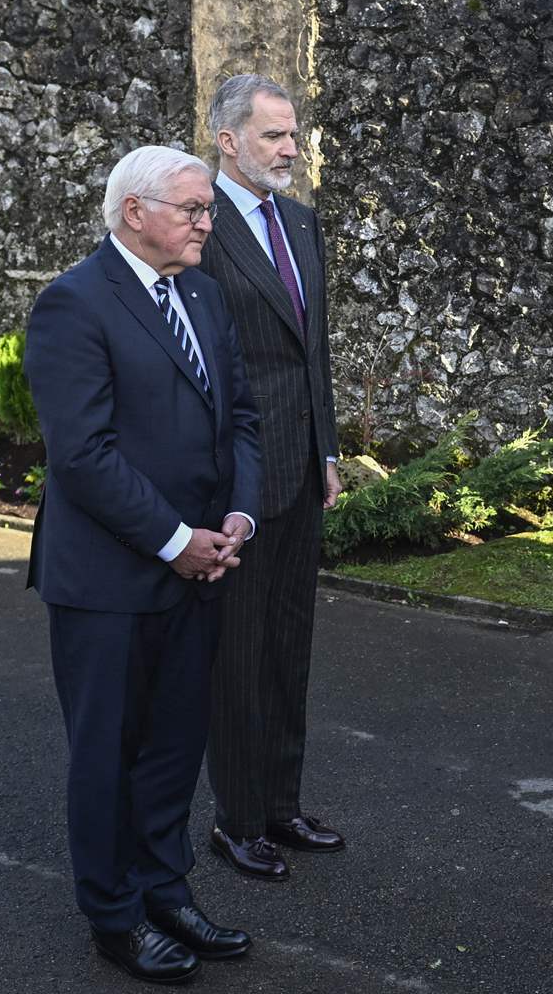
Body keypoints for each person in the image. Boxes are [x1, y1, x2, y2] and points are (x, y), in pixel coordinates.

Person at [24, 144, 262, 984]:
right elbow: (82, 457)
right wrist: (176, 540)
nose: (209, 224)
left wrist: (237, 515)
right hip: (108, 581)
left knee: (172, 748)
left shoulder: (201, 291)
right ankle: (115, 917)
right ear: (135, 212)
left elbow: (240, 416)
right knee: (107, 754)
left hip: (201, 567)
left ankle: (166, 891)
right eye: (195, 211)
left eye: (208, 211)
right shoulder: (73, 305)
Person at [196, 74, 347, 881]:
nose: (292, 149)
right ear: (227, 140)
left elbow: (310, 349)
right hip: (241, 482)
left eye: (293, 135)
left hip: (302, 476)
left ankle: (282, 808)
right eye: (274, 137)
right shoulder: (201, 229)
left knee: (290, 649)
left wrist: (326, 448)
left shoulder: (300, 221)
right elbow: (205, 365)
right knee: (239, 656)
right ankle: (237, 819)